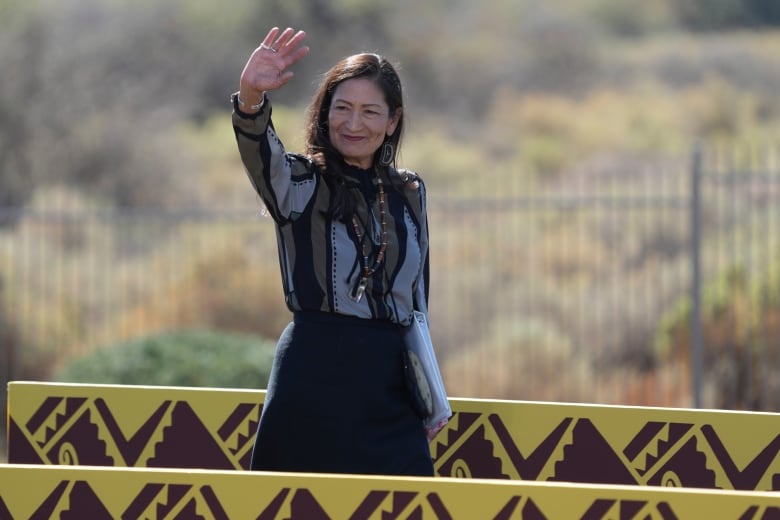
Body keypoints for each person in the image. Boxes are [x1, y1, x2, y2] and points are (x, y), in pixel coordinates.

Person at [231, 27, 437, 476]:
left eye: (369, 111)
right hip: (312, 376)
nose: (353, 123)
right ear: (324, 114)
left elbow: (418, 300)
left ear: (393, 121)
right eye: (341, 108)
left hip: (391, 386)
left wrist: (429, 390)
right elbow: (258, 152)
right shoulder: (299, 183)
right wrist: (250, 97)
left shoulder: (409, 192)